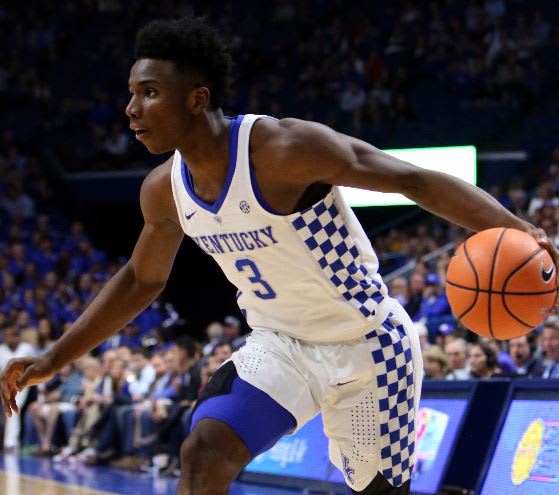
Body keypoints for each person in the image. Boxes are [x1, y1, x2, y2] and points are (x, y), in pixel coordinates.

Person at [1, 16, 557, 495]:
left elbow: (411, 179)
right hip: (280, 346)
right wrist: (55, 358)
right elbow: (140, 281)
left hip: (367, 345)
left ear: (197, 99)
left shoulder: (285, 149)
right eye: (131, 92)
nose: (130, 108)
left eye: (148, 92)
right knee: (202, 454)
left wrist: (517, 227)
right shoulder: (163, 189)